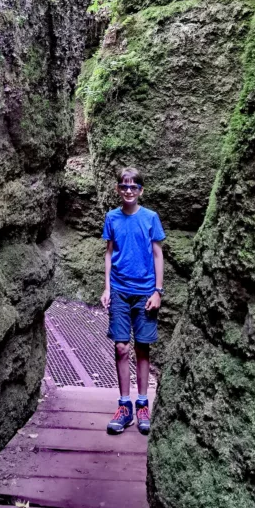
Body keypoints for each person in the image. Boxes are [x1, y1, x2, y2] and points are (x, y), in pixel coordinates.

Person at [101, 167, 165, 436]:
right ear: (118, 189)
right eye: (124, 186)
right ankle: (124, 405)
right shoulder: (112, 218)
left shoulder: (151, 218)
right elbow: (109, 253)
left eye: (133, 187)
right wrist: (106, 288)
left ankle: (142, 404)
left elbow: (158, 254)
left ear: (141, 190)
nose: (128, 191)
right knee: (120, 347)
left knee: (142, 348)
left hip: (145, 291)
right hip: (119, 290)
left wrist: (158, 291)